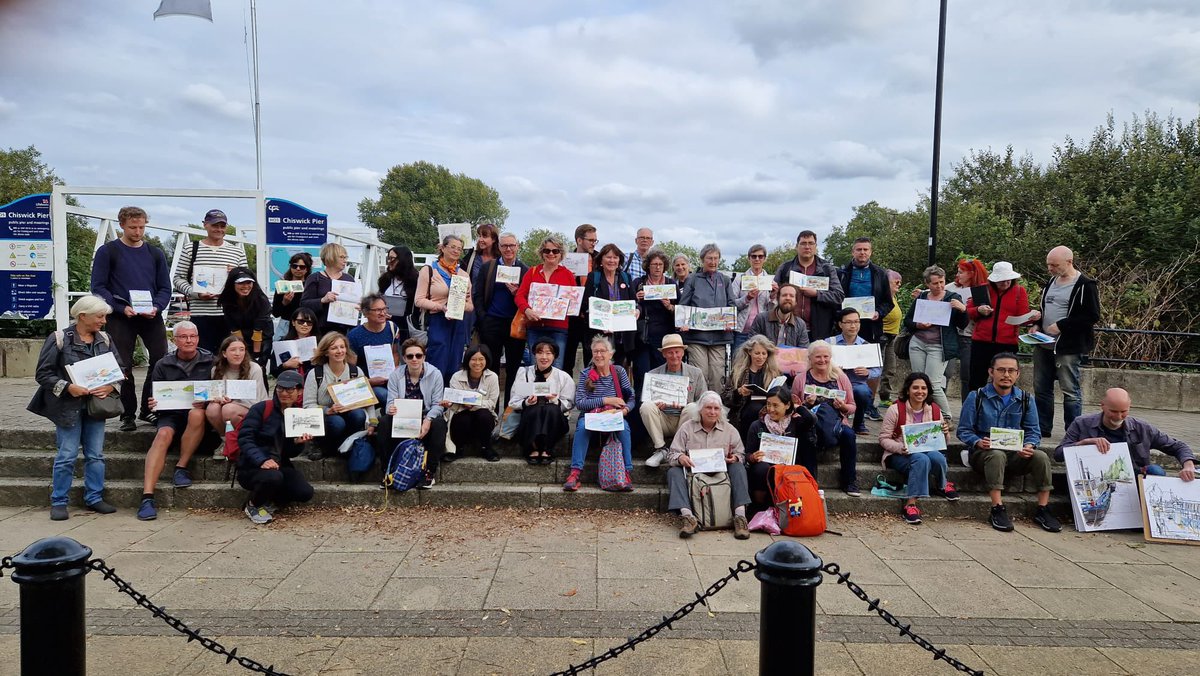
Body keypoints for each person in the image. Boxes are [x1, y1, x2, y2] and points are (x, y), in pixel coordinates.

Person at [28, 295, 120, 520]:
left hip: (96, 406)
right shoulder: (59, 338)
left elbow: (120, 368)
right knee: (67, 455)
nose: (104, 321)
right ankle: (59, 501)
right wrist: (68, 387)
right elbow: (43, 374)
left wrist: (110, 387)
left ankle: (94, 498)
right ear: (82, 316)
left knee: (95, 455)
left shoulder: (105, 339)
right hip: (67, 407)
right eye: (100, 316)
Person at [956, 353, 1059, 533]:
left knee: (1041, 456)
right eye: (1001, 370)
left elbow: (1033, 431)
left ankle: (1043, 508)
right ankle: (997, 508)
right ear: (991, 372)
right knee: (996, 455)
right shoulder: (977, 397)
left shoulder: (1026, 399)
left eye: (1011, 371)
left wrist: (1029, 445)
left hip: (1015, 454)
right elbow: (963, 430)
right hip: (985, 454)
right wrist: (978, 442)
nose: (1006, 375)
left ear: (1018, 374)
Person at [89, 206, 170, 431]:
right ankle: (127, 413)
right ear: (122, 225)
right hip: (121, 316)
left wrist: (157, 306)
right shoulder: (109, 251)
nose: (137, 232)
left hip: (150, 315)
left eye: (142, 227)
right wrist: (118, 307)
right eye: (133, 227)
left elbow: (165, 287)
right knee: (121, 363)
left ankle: (149, 408)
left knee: (160, 359)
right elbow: (98, 287)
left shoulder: (155, 253)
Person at [139, 321, 214, 521]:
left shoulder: (210, 361)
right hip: (170, 414)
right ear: (174, 340)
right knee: (163, 434)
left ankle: (181, 467)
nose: (189, 340)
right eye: (183, 337)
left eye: (192, 336)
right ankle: (147, 496)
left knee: (196, 414)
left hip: (198, 416)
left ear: (198, 339)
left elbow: (217, 389)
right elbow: (154, 399)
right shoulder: (163, 364)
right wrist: (154, 402)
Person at [1054, 388, 1195, 481]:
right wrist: (1084, 443)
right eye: (1113, 411)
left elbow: (1178, 446)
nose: (1118, 416)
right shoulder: (1081, 423)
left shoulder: (1142, 427)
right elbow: (1058, 454)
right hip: (1095, 477)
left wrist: (1188, 465)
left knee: (1156, 471)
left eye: (1124, 411)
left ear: (1130, 406)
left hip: (1133, 476)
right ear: (1102, 405)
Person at [1033, 246, 1101, 437]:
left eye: (1054, 265)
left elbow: (1092, 316)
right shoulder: (1051, 282)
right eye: (1048, 265)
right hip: (1044, 343)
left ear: (1069, 262)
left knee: (1070, 389)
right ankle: (1043, 427)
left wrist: (1063, 325)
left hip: (1068, 346)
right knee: (1041, 387)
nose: (1050, 269)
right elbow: (1045, 309)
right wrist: (1037, 324)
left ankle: (1073, 430)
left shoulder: (1085, 285)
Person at [665, 391, 751, 539]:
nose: (712, 412)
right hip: (694, 475)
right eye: (708, 408)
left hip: (721, 475)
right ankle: (688, 517)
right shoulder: (687, 427)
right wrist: (681, 458)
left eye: (716, 408)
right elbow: (672, 454)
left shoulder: (730, 430)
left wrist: (735, 458)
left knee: (738, 467)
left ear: (721, 411)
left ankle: (740, 517)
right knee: (673, 472)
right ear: (700, 410)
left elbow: (741, 455)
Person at [235, 369, 315, 524]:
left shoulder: (298, 414)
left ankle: (271, 500)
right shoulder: (262, 408)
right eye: (280, 388)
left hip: (279, 464)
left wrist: (298, 443)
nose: (284, 393)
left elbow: (290, 452)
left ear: (299, 391)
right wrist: (261, 460)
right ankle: (253, 504)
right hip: (252, 466)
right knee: (273, 477)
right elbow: (245, 439)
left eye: (290, 389)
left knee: (305, 492)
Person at [879, 372, 958, 525]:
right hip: (900, 454)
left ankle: (942, 484)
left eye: (924, 388)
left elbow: (942, 443)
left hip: (927, 451)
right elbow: (883, 439)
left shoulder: (934, 409)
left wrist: (945, 433)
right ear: (908, 390)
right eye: (915, 388)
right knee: (921, 459)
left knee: (938, 457)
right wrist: (901, 448)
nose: (920, 391)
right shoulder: (895, 409)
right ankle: (910, 505)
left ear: (928, 390)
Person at [563, 336, 635, 492]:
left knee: (625, 428)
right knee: (581, 427)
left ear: (611, 354)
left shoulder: (619, 371)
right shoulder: (586, 374)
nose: (598, 355)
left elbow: (631, 397)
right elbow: (580, 402)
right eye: (595, 351)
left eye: (603, 351)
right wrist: (606, 400)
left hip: (613, 415)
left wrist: (625, 410)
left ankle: (626, 471)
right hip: (592, 416)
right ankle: (575, 473)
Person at [172, 209, 249, 354]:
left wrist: (236, 274)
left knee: (229, 357)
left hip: (229, 314)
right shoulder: (191, 249)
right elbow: (178, 278)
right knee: (202, 357)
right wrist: (196, 293)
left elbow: (246, 283)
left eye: (222, 226)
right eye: (215, 225)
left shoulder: (237, 252)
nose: (219, 229)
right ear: (205, 225)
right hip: (201, 314)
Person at [792, 340, 860, 496]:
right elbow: (793, 408)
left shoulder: (840, 377)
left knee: (849, 435)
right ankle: (810, 482)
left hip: (836, 424)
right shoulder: (801, 379)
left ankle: (850, 481)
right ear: (810, 358)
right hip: (811, 423)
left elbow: (852, 406)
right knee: (806, 436)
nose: (822, 360)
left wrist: (842, 407)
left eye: (826, 356)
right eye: (818, 357)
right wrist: (805, 404)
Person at [377, 339, 447, 489]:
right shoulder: (396, 375)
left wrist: (428, 420)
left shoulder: (435, 374)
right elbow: (391, 401)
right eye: (410, 356)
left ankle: (429, 473)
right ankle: (387, 470)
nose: (414, 359)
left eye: (418, 355)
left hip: (427, 415)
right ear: (404, 358)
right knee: (383, 422)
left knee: (439, 424)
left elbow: (438, 404)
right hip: (404, 416)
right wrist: (391, 408)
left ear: (424, 357)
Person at [474, 232, 529, 412]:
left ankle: (508, 415)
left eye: (512, 245)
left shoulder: (524, 269)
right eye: (505, 246)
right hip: (492, 323)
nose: (508, 249)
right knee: (491, 368)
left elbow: (529, 298)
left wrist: (517, 293)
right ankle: (491, 412)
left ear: (517, 246)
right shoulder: (489, 267)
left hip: (515, 324)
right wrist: (483, 317)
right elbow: (478, 294)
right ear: (499, 247)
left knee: (514, 369)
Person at [902, 265, 968, 415]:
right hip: (918, 343)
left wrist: (963, 310)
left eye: (942, 282)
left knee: (933, 383)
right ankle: (920, 413)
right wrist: (918, 324)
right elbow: (908, 320)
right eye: (935, 283)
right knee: (917, 382)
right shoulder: (922, 297)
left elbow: (962, 324)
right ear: (927, 284)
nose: (939, 286)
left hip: (939, 346)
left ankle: (946, 416)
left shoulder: (952, 297)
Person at [965, 262, 1038, 393]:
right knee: (976, 380)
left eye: (1008, 280)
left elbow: (1023, 317)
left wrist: (1031, 317)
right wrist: (978, 310)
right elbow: (968, 312)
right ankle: (975, 409)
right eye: (1001, 281)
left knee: (1005, 381)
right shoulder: (983, 289)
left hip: (1007, 344)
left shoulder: (1019, 291)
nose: (1005, 283)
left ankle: (1003, 410)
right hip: (981, 342)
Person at [303, 332, 375, 455]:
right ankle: (325, 446)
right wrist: (327, 410)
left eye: (342, 347)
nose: (339, 351)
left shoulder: (356, 371)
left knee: (359, 415)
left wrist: (373, 422)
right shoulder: (315, 374)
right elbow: (308, 405)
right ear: (326, 352)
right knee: (337, 423)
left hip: (351, 416)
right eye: (334, 348)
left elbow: (369, 401)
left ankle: (348, 445)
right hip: (328, 419)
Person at [745, 386, 816, 508]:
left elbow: (811, 419)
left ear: (787, 405)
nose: (771, 409)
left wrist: (797, 407)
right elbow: (747, 454)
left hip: (789, 470)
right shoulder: (758, 425)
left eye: (775, 405)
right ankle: (760, 509)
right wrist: (753, 457)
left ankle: (790, 510)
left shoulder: (795, 422)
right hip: (766, 470)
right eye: (768, 405)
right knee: (760, 469)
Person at [415, 234, 474, 382]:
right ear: (442, 248)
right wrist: (441, 307)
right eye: (452, 247)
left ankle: (449, 399)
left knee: (454, 362)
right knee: (437, 360)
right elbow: (419, 300)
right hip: (437, 320)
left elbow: (470, 306)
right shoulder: (429, 270)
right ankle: (433, 399)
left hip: (457, 322)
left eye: (459, 249)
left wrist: (458, 306)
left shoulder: (463, 275)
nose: (456, 251)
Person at [641, 334, 706, 467]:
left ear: (683, 352)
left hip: (685, 419)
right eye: (670, 352)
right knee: (646, 406)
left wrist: (684, 405)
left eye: (677, 351)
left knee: (693, 407)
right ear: (664, 354)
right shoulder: (653, 374)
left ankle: (677, 449)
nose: (674, 355)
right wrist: (656, 405)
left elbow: (704, 401)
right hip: (663, 419)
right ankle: (661, 449)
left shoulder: (696, 373)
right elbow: (646, 401)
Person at [679, 243, 736, 393]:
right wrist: (684, 322)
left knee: (717, 376)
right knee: (700, 373)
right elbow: (683, 305)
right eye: (709, 258)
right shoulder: (692, 279)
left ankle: (716, 409)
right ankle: (699, 408)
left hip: (719, 337)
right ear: (702, 260)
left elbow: (731, 304)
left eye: (716, 258)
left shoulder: (724, 280)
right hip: (697, 337)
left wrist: (730, 321)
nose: (713, 262)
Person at [509, 340, 575, 464]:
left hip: (555, 420)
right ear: (534, 354)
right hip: (530, 419)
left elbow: (570, 403)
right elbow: (513, 401)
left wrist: (555, 400)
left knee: (550, 408)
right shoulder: (524, 373)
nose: (544, 357)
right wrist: (527, 402)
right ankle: (533, 447)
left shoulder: (563, 376)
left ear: (554, 356)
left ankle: (546, 447)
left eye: (548, 353)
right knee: (535, 408)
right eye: (540, 353)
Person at [772, 230, 844, 341]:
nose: (807, 247)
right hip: (789, 327)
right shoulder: (785, 268)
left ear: (816, 246)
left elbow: (839, 296)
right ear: (797, 246)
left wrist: (816, 294)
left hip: (820, 329)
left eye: (811, 243)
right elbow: (774, 295)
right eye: (803, 243)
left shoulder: (827, 269)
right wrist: (773, 291)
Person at [516, 235, 576, 368]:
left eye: (555, 251)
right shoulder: (532, 272)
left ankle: (554, 390)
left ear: (561, 254)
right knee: (536, 367)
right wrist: (527, 310)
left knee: (557, 367)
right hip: (535, 327)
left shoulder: (568, 275)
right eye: (547, 251)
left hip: (558, 328)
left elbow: (574, 301)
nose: (551, 254)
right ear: (542, 253)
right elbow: (519, 296)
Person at [205, 335, 268, 459]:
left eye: (242, 349)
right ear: (224, 353)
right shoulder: (216, 370)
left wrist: (233, 400)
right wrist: (218, 398)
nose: (238, 353)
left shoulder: (254, 368)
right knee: (212, 409)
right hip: (226, 406)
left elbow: (258, 399)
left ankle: (244, 440)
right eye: (233, 350)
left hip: (254, 406)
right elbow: (215, 393)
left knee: (228, 409)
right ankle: (226, 440)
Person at [582, 243, 637, 366]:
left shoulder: (626, 277)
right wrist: (599, 323)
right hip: (598, 336)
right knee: (596, 372)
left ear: (619, 260)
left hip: (621, 337)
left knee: (617, 371)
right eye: (608, 257)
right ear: (601, 259)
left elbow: (634, 303)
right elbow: (585, 305)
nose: (612, 260)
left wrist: (637, 310)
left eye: (615, 257)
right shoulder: (594, 277)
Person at [443, 345, 500, 462]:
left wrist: (475, 404)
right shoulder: (456, 377)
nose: (477, 363)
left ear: (487, 360)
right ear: (467, 360)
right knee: (463, 418)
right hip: (461, 414)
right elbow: (454, 401)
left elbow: (492, 403)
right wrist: (451, 404)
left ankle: (486, 447)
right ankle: (459, 448)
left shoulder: (492, 377)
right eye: (473, 359)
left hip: (482, 415)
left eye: (481, 359)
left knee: (484, 415)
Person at [943, 257, 989, 404]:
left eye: (961, 272)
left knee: (967, 375)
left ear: (972, 273)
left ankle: (967, 409)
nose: (958, 275)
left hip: (969, 337)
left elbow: (986, 313)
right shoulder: (952, 287)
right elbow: (936, 294)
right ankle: (938, 410)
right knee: (944, 372)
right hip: (950, 334)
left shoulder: (981, 290)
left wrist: (967, 310)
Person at [831, 308, 883, 434]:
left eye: (856, 322)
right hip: (834, 383)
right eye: (848, 322)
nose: (853, 325)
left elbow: (878, 370)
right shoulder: (830, 342)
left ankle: (859, 423)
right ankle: (834, 422)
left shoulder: (866, 345)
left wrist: (868, 372)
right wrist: (832, 367)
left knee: (863, 392)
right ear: (840, 324)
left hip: (856, 384)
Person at [723, 334, 783, 441]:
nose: (761, 357)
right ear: (749, 352)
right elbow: (724, 398)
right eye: (757, 353)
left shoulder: (774, 373)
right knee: (752, 411)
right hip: (743, 413)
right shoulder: (738, 372)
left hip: (769, 410)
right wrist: (738, 392)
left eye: (764, 354)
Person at [836, 237, 894, 344]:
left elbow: (888, 302)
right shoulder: (841, 273)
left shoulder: (881, 273)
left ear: (870, 252)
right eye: (859, 250)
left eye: (865, 249)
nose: (862, 252)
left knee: (869, 359)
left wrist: (879, 312)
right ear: (853, 252)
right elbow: (835, 299)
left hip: (871, 326)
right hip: (847, 326)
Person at [347, 294, 402, 405]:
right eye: (377, 310)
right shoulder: (354, 335)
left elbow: (395, 353)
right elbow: (351, 367)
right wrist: (368, 382)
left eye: (384, 309)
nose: (382, 313)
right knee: (384, 395)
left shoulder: (392, 328)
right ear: (366, 312)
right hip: (367, 383)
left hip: (390, 381)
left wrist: (394, 370)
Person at [632, 249, 679, 376]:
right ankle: (640, 396)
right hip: (643, 337)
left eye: (660, 264)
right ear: (648, 266)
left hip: (664, 338)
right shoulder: (639, 283)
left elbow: (680, 310)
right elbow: (629, 305)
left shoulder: (671, 284)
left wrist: (669, 306)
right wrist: (636, 298)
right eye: (654, 264)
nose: (658, 267)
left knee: (660, 373)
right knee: (642, 373)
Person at [218, 266, 273, 370]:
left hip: (261, 337)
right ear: (232, 284)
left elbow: (258, 329)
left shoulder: (261, 300)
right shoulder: (227, 301)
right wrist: (242, 350)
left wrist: (256, 356)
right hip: (241, 336)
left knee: (257, 368)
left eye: (249, 283)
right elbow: (234, 328)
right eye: (241, 283)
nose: (246, 286)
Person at [564, 224, 601, 375]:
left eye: (595, 240)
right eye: (590, 240)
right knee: (567, 359)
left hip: (592, 317)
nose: (594, 243)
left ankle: (591, 393)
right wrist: (569, 278)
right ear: (579, 240)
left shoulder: (599, 259)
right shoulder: (565, 259)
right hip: (571, 316)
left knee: (591, 359)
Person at [299, 241, 357, 337]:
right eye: (342, 257)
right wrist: (322, 300)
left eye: (345, 257)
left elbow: (354, 303)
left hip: (342, 331)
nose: (345, 261)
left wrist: (357, 307)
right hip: (319, 331)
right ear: (331, 258)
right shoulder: (315, 278)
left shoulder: (349, 279)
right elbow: (304, 304)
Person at [733, 243, 776, 353]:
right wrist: (747, 298)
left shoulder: (771, 281)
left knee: (761, 363)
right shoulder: (740, 279)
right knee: (739, 363)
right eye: (754, 256)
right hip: (742, 330)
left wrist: (773, 296)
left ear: (765, 259)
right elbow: (732, 304)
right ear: (749, 258)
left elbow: (773, 310)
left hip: (763, 330)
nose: (757, 259)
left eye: (760, 256)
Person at [747, 283, 809, 348]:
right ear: (778, 299)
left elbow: (803, 351)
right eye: (784, 295)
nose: (788, 298)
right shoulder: (761, 319)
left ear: (796, 301)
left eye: (791, 296)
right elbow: (751, 345)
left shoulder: (801, 325)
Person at [378, 245, 419, 341]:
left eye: (392, 258)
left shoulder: (416, 280)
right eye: (388, 258)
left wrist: (395, 317)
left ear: (403, 259)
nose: (389, 261)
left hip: (405, 328)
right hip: (384, 324)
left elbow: (416, 310)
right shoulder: (385, 279)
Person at [877, 270, 903, 407]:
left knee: (889, 369)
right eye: (896, 281)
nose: (899, 283)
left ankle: (884, 397)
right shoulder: (881, 298)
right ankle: (868, 401)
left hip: (892, 337)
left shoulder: (893, 298)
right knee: (877, 370)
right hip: (882, 336)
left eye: (900, 281)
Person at [272, 252, 312, 338]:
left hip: (305, 325)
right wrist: (284, 302)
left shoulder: (310, 286)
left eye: (302, 267)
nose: (298, 269)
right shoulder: (282, 285)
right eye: (294, 266)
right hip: (286, 324)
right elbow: (275, 313)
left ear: (307, 269)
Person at [270, 307, 317, 379]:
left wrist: (318, 360)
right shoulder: (282, 343)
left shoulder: (319, 343)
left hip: (312, 382)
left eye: (309, 322)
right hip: (288, 383)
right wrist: (285, 366)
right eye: (301, 321)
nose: (305, 325)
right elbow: (273, 371)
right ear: (293, 322)